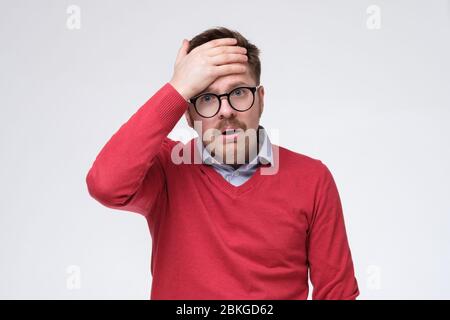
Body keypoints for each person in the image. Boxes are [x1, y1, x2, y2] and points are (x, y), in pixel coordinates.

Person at [86, 27, 359, 300]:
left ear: (260, 100)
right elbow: (106, 185)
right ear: (188, 115)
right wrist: (176, 89)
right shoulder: (166, 169)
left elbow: (338, 294)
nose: (226, 110)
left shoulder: (312, 179)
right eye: (206, 98)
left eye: (238, 92)